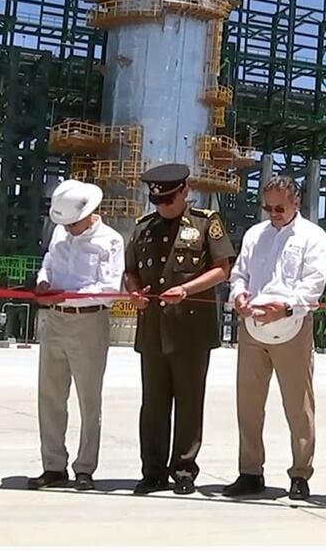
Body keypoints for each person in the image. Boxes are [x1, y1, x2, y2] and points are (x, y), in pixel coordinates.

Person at [122, 164, 235, 495]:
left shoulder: (205, 223)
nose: (163, 206)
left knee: (188, 403)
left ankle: (184, 470)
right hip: (153, 329)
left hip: (190, 330)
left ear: (184, 191)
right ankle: (152, 471)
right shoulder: (144, 227)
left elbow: (221, 270)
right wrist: (133, 292)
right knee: (153, 406)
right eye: (158, 200)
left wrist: (187, 289)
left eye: (169, 199)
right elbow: (131, 270)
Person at [223, 176, 326, 500]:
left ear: (296, 202)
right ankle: (250, 471)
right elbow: (239, 272)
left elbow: (313, 285)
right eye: (268, 208)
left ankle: (300, 474)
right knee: (249, 404)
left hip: (291, 326)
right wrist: (239, 295)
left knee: (298, 405)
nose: (274, 213)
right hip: (253, 327)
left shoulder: (313, 236)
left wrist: (283, 309)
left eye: (280, 208)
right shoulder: (256, 234)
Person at [28, 180, 124, 492]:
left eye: (72, 223)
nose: (68, 229)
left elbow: (108, 291)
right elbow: (48, 264)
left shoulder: (110, 241)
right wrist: (44, 283)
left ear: (89, 213)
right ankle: (53, 465)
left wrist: (66, 296)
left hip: (89, 324)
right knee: (50, 396)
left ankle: (85, 467)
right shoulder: (60, 232)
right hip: (55, 322)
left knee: (88, 399)